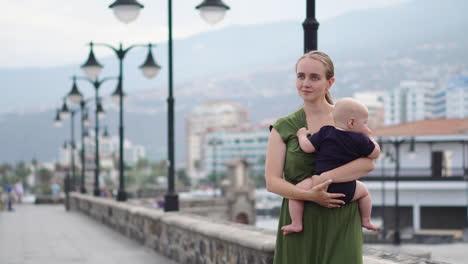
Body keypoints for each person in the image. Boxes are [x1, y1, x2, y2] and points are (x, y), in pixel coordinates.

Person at [265, 50, 375, 264]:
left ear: (329, 82)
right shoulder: (283, 127)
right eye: (301, 76)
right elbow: (272, 182)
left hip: (341, 219)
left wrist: (319, 180)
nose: (305, 83)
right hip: (300, 222)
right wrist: (309, 195)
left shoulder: (348, 118)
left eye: (314, 77)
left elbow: (367, 163)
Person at [281, 98, 380, 235]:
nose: (366, 127)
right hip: (347, 189)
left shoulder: (326, 132)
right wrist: (370, 137)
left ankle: (296, 223)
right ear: (351, 122)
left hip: (319, 185)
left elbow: (307, 148)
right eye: (365, 123)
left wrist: (301, 135)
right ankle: (366, 219)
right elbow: (375, 153)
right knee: (364, 192)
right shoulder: (361, 140)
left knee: (295, 194)